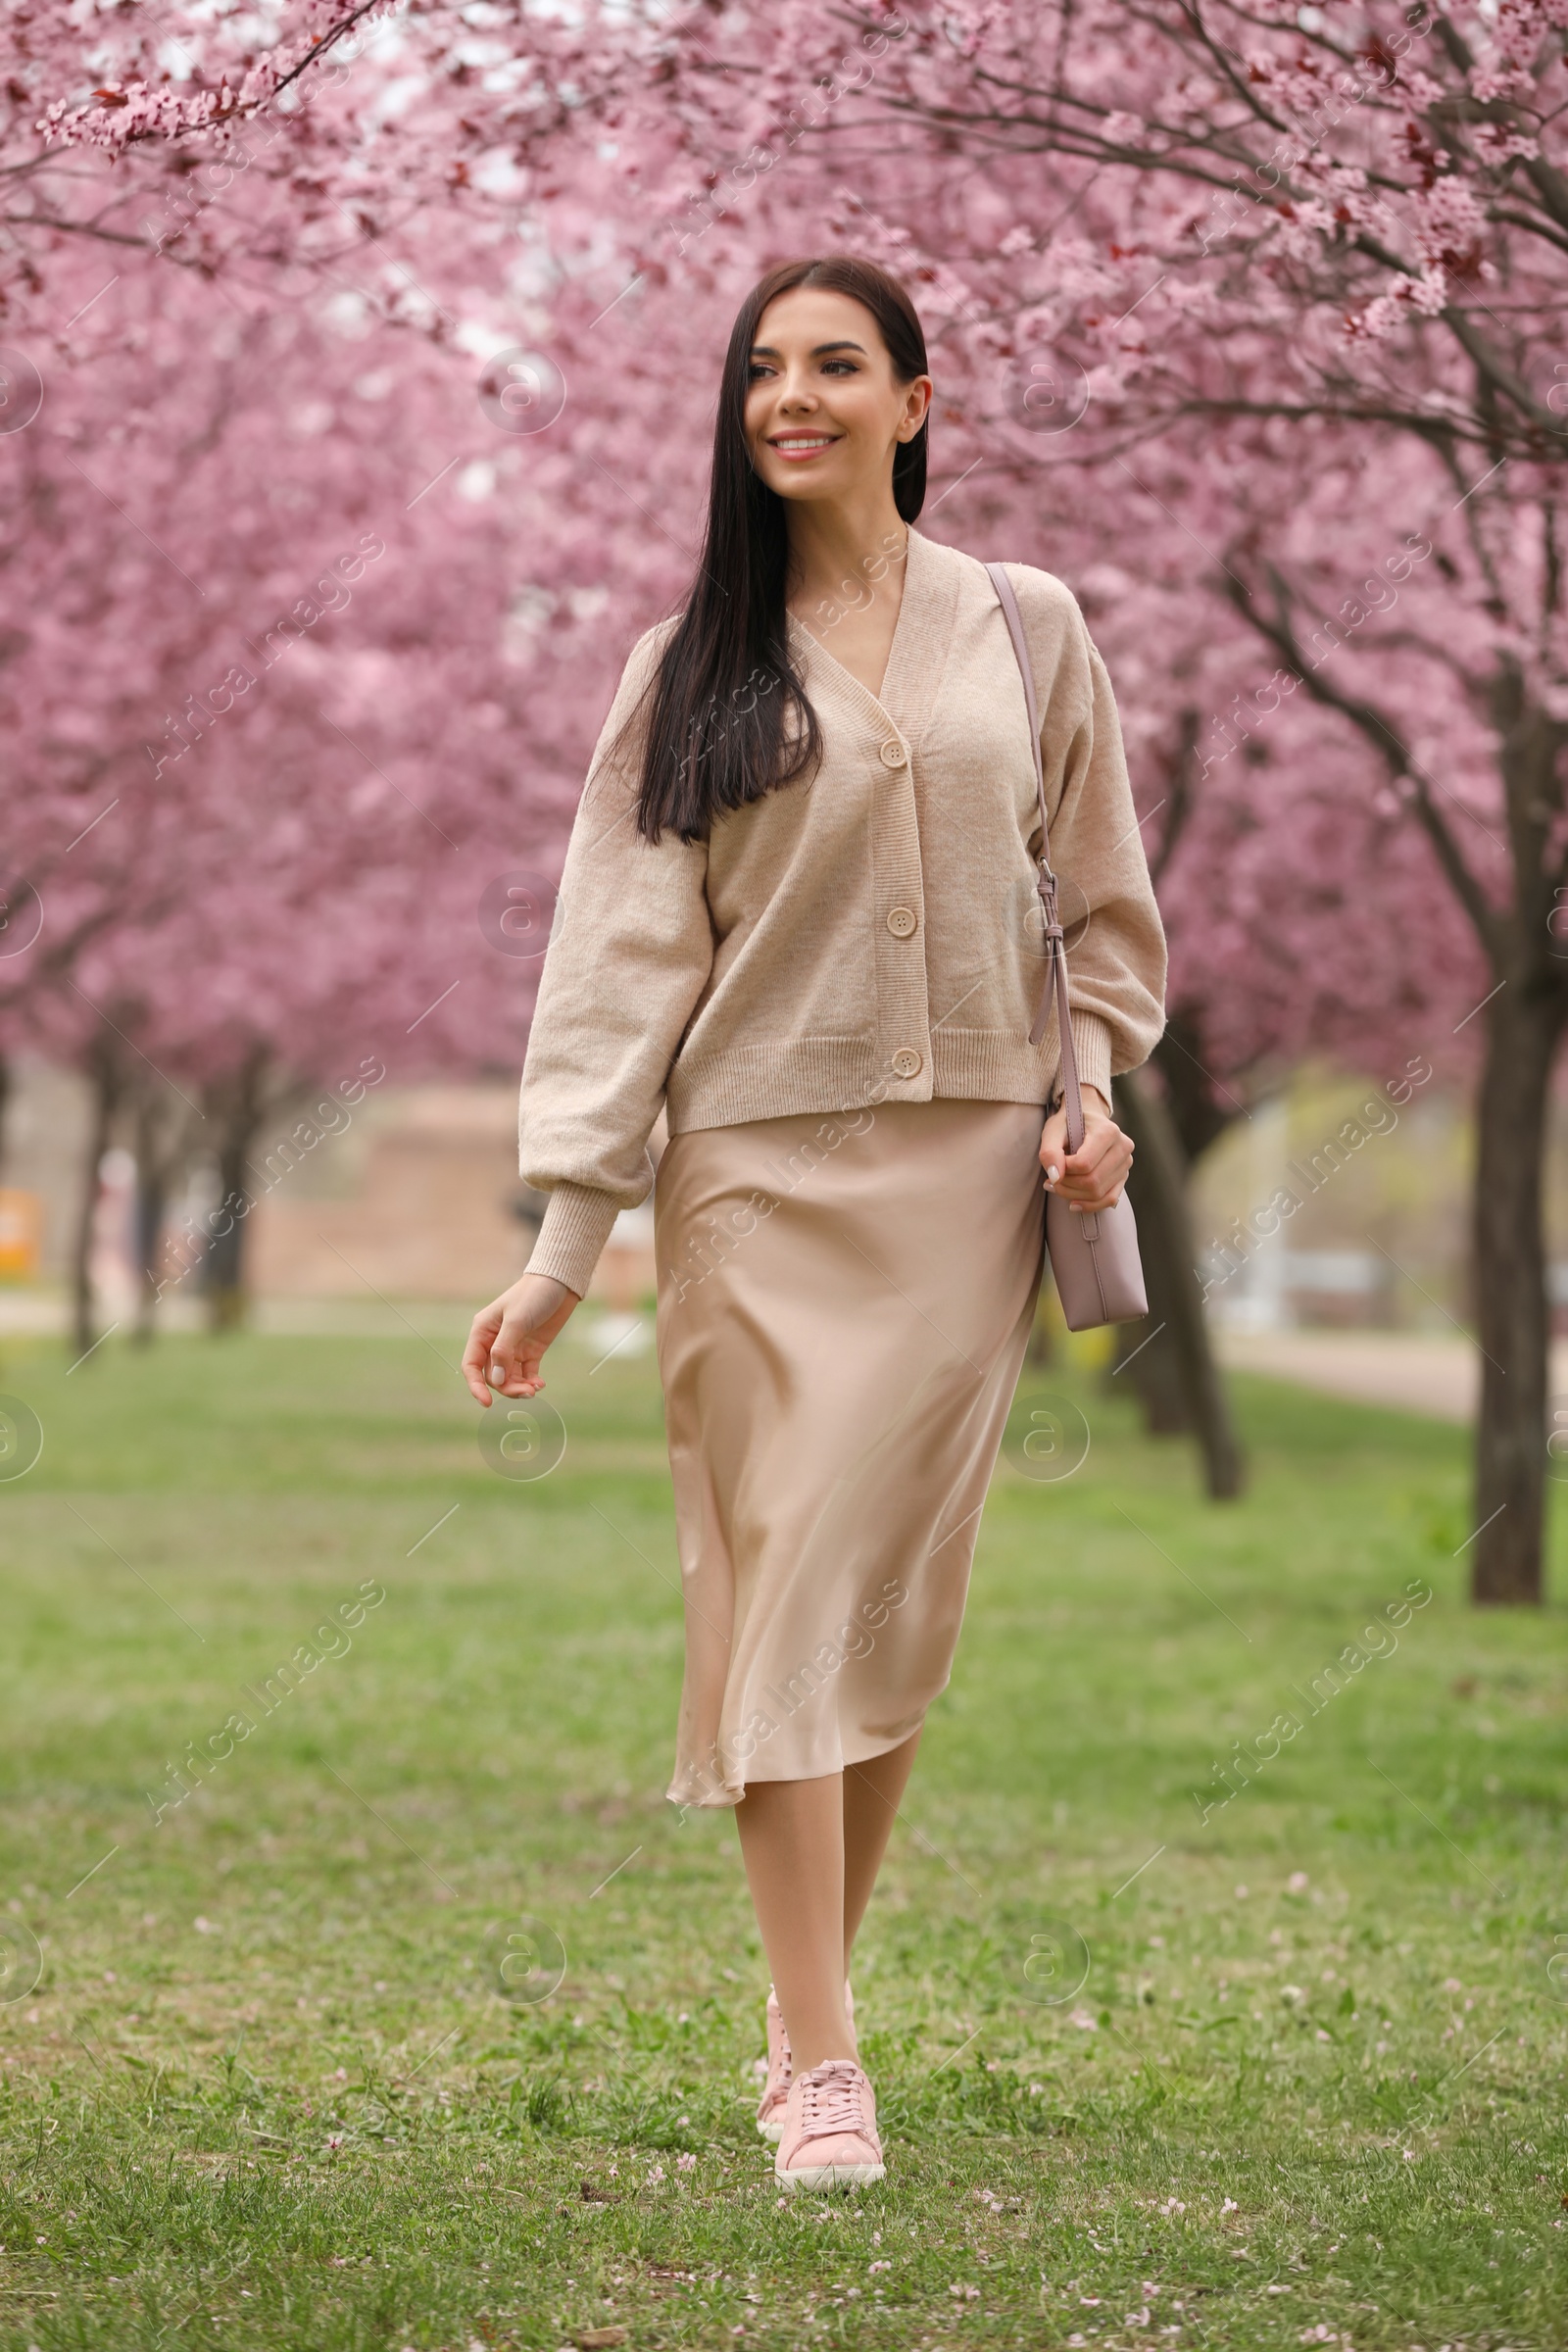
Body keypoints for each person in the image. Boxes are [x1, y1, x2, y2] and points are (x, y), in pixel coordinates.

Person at [464, 255, 1166, 2191]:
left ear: (912, 405)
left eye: (835, 365)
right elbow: (615, 965)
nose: (791, 395)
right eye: (762, 367)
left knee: (883, 1600)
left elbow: (1096, 914)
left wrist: (1087, 1090)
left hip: (960, 1190)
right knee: (782, 1585)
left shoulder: (1027, 630)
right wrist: (561, 1239)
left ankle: (803, 2024)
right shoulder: (682, 664)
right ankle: (820, 2059)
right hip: (756, 1182)